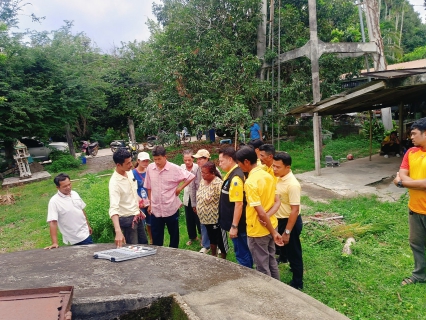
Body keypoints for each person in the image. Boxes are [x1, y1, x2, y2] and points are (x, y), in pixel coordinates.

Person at [235, 147, 283, 279]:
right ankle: (279, 289)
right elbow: (277, 201)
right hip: (272, 224)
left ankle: (270, 296)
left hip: (258, 230)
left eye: (238, 163)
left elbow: (260, 213)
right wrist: (273, 231)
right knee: (271, 260)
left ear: (246, 162)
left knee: (262, 266)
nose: (238, 166)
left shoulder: (250, 182)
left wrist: (274, 233)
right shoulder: (268, 175)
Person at [393, 118, 426, 286]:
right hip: (415, 209)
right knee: (416, 244)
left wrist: (401, 182)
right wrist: (406, 180)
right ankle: (420, 275)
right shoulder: (411, 152)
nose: (411, 137)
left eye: (414, 134)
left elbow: (402, 179)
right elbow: (402, 172)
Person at [144, 145, 195, 248]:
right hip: (156, 208)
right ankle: (158, 254)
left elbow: (190, 176)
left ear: (165, 156)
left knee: (174, 233)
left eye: (159, 159)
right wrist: (149, 203)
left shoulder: (174, 168)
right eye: (155, 159)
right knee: (156, 234)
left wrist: (180, 188)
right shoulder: (150, 168)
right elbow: (149, 187)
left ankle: (173, 253)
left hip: (170, 207)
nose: (157, 162)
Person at [272, 152, 304, 290]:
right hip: (279, 220)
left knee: (294, 252)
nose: (274, 169)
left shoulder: (292, 185)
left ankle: (297, 282)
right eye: (273, 166)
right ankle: (286, 260)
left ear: (288, 167)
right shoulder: (279, 177)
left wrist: (287, 231)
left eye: (278, 167)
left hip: (290, 222)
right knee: (283, 247)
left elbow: (295, 210)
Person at [218, 146, 253, 268]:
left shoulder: (236, 178)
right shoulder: (231, 174)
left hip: (239, 226)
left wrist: (234, 226)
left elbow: (239, 204)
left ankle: (247, 276)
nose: (219, 164)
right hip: (236, 224)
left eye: (222, 161)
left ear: (230, 160)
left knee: (242, 253)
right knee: (242, 251)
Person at [45, 173, 93, 249]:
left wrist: (88, 225)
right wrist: (54, 243)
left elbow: (81, 210)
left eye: (69, 184)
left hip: (85, 233)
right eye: (65, 186)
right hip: (73, 237)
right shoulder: (54, 201)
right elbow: (53, 222)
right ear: (57, 187)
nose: (68, 187)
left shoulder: (75, 194)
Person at [109, 148, 142, 247]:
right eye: (127, 163)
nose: (131, 165)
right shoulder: (114, 183)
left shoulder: (129, 172)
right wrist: (118, 231)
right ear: (118, 165)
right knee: (133, 249)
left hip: (137, 215)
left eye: (130, 161)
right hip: (127, 220)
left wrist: (140, 200)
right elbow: (113, 208)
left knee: (144, 245)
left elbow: (133, 191)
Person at [197, 161, 228, 258]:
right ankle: (213, 255)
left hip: (216, 218)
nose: (203, 175)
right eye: (202, 172)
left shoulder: (218, 183)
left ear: (213, 173)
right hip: (205, 219)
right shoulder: (203, 181)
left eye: (205, 173)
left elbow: (224, 201)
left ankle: (223, 259)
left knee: (220, 240)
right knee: (211, 238)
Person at [192, 149, 216, 253]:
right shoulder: (196, 170)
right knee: (203, 224)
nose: (198, 161)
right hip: (201, 204)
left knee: (215, 226)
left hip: (213, 205)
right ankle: (206, 245)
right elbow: (193, 187)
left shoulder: (215, 171)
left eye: (200, 159)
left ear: (206, 159)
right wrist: (194, 203)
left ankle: (218, 244)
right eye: (197, 159)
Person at [180, 149, 201, 245]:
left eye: (189, 160)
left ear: (193, 158)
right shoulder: (182, 168)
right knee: (189, 218)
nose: (187, 162)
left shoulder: (197, 168)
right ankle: (192, 237)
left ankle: (202, 237)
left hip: (196, 196)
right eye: (185, 160)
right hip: (187, 196)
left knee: (198, 218)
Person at [133, 152, 151, 245]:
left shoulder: (149, 171)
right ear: (138, 161)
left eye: (147, 160)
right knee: (142, 224)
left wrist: (150, 201)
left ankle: (152, 241)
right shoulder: (133, 173)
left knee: (151, 223)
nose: (145, 162)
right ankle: (143, 242)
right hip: (140, 203)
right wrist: (140, 201)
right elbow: (133, 189)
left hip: (150, 201)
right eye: (143, 160)